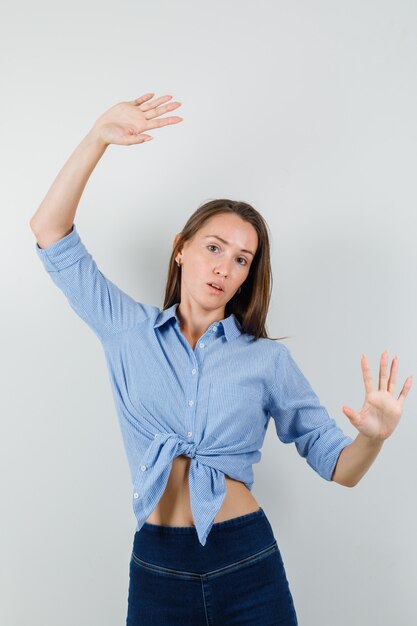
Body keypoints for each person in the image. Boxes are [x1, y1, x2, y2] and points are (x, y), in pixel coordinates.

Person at [30, 92, 413, 626]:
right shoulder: (127, 330)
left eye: (241, 260)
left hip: (246, 559)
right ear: (181, 247)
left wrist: (372, 436)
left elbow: (339, 467)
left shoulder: (265, 361)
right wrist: (97, 138)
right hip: (158, 567)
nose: (224, 269)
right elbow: (50, 232)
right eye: (213, 248)